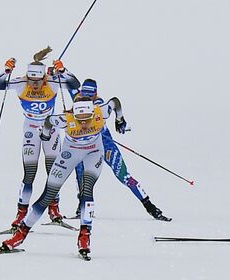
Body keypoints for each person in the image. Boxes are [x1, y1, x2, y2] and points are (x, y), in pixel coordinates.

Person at [0, 92, 129, 259]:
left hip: (93, 153)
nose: (83, 123)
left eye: (87, 118)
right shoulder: (65, 119)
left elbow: (115, 101)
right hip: (69, 153)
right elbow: (48, 120)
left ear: (93, 111)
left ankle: (84, 236)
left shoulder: (101, 111)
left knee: (87, 191)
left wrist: (120, 119)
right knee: (48, 195)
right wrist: (45, 134)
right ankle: (20, 235)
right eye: (79, 119)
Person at [0, 58, 80, 228]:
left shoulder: (53, 82)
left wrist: (63, 71)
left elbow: (75, 84)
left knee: (53, 172)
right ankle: (21, 214)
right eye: (31, 80)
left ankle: (54, 210)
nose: (34, 84)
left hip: (51, 129)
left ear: (44, 78)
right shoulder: (21, 83)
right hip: (31, 130)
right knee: (29, 174)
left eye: (38, 81)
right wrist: (6, 71)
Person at [70, 79, 169, 222]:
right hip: (86, 146)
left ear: (96, 95)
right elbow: (69, 82)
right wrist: (59, 71)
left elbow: (115, 101)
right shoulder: (77, 98)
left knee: (123, 176)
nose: (86, 100)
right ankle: (82, 207)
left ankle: (151, 207)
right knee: (80, 174)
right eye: (84, 96)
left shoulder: (100, 105)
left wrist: (120, 119)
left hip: (105, 144)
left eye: (90, 97)